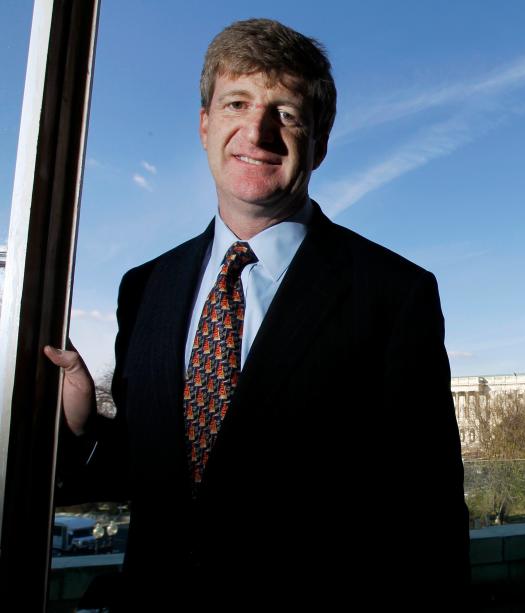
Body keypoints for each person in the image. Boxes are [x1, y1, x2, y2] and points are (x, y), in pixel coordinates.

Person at [46, 18, 468, 611]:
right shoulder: (143, 287)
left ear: (319, 142)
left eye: (287, 113)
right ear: (204, 125)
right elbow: (158, 473)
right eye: (236, 103)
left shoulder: (394, 293)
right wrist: (87, 424)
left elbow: (429, 513)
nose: (258, 130)